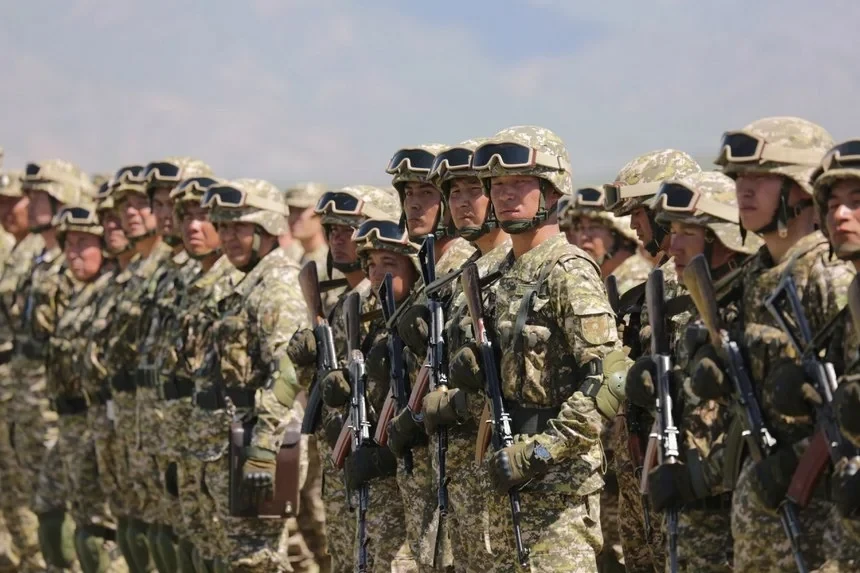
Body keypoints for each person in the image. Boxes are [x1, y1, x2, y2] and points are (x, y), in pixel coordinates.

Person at [454, 125, 621, 571]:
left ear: (551, 190)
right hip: (503, 479)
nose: (505, 195)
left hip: (557, 491)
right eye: (497, 185)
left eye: (519, 183)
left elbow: (611, 378)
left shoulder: (567, 270)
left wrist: (542, 450)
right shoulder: (501, 273)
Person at [690, 116, 853, 570]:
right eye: (739, 178)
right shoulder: (752, 277)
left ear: (801, 189)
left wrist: (798, 461)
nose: (743, 190)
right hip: (760, 511)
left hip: (822, 515)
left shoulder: (831, 275)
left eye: (760, 178)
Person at [625, 171, 761, 571]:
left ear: (724, 237)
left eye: (688, 232)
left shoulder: (755, 306)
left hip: (742, 511)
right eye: (672, 231)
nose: (674, 245)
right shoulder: (703, 309)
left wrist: (697, 479)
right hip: (697, 515)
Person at [287, 184, 402, 573]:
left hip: (381, 472)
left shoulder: (388, 300)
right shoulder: (342, 305)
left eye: (348, 230)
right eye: (332, 229)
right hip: (341, 470)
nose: (338, 239)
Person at [198, 178, 309, 572]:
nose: (228, 237)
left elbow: (288, 373)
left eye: (240, 227)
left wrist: (263, 450)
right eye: (223, 227)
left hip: (263, 444)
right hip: (236, 441)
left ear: (268, 228)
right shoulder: (249, 280)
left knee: (257, 560)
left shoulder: (278, 285)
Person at [604, 149, 701, 573]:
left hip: (679, 464)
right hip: (641, 463)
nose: (632, 226)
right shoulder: (655, 283)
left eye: (639, 214)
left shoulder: (695, 284)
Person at [384, 142, 475, 571]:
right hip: (429, 457)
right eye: (408, 194)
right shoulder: (430, 270)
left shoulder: (463, 266)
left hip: (456, 457)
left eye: (427, 193)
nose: (415, 204)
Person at [12, 160, 93, 572]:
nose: (29, 204)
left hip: (57, 401)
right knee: (35, 495)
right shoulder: (37, 257)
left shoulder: (72, 264)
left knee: (67, 506)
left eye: (39, 196)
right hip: (28, 396)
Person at [137, 157, 211, 573]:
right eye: (161, 205)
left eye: (177, 206)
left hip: (204, 428)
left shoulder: (210, 272)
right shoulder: (167, 269)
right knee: (174, 537)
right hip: (168, 421)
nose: (167, 215)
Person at [47, 204, 127, 573]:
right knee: (82, 520)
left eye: (84, 243)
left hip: (102, 420)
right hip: (74, 422)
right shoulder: (82, 293)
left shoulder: (113, 290)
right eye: (69, 244)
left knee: (105, 527)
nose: (74, 253)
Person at [564, 186, 651, 294]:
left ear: (621, 235)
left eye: (593, 227)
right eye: (580, 228)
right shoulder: (606, 281)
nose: (584, 237)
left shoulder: (635, 282)